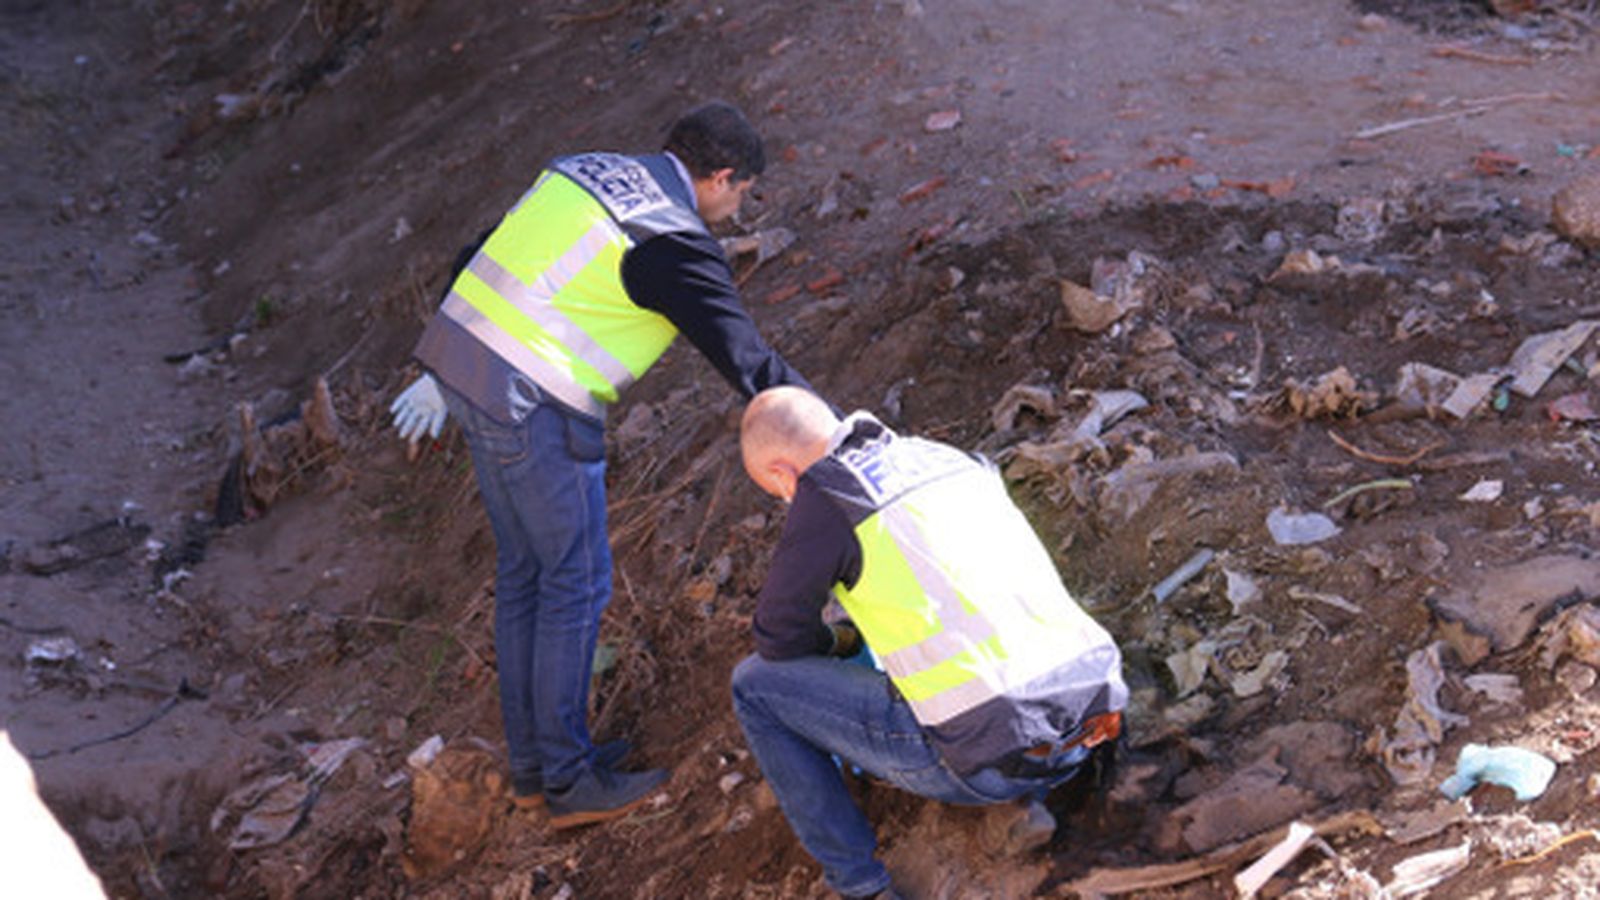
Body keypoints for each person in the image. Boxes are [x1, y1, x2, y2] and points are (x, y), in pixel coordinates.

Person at [389, 102, 815, 828]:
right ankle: (567, 780)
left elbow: (482, 250)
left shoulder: (589, 170)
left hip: (467, 370)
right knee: (576, 581)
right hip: (532, 403)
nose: (737, 210)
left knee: (527, 572)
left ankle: (533, 770)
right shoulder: (673, 239)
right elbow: (746, 359)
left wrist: (438, 364)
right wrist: (831, 434)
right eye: (742, 193)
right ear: (719, 178)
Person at [731, 386, 1127, 899]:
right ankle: (1020, 801)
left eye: (777, 490)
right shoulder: (946, 458)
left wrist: (837, 641)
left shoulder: (828, 494)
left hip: (990, 759)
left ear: (783, 474)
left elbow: (777, 637)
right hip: (1092, 722)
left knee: (754, 687)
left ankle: (860, 885)